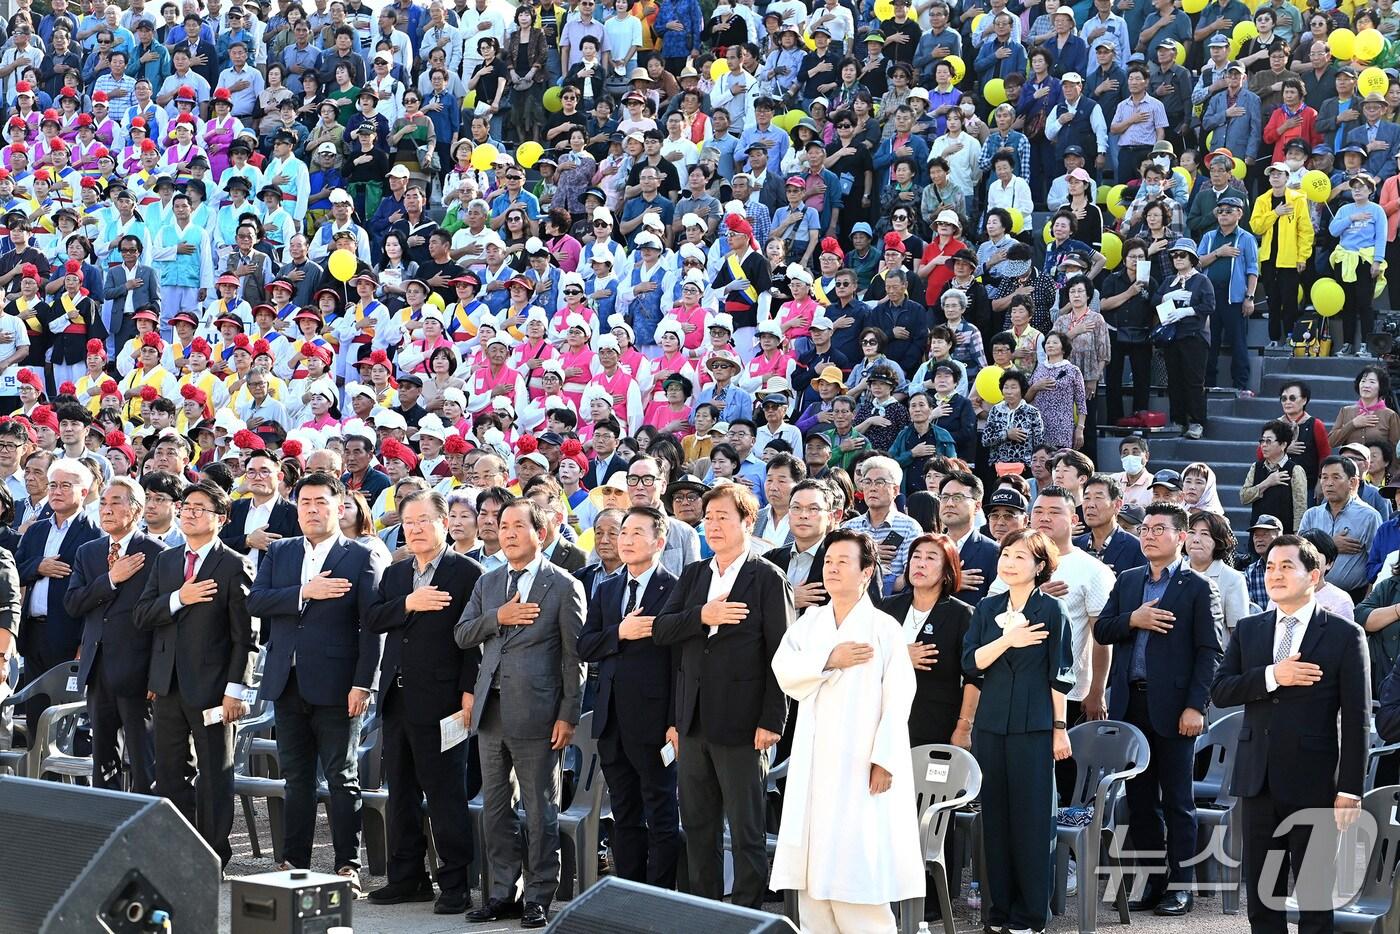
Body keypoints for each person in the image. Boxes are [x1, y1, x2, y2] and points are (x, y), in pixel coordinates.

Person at [1214, 535, 1369, 934]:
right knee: (1264, 900)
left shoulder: (1343, 634)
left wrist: (1350, 789)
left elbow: (1356, 718)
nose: (1275, 575)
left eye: (1287, 566)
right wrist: (1272, 676)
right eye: (1269, 567)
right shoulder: (1250, 630)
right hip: (1257, 779)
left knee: (1315, 901)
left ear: (1313, 576)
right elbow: (1221, 689)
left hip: (1315, 783)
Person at [770, 528, 923, 932]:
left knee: (859, 868)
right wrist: (828, 658)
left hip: (862, 761)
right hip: (815, 758)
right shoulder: (810, 622)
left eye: (843, 562)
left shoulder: (883, 628)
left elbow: (899, 697)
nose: (833, 569)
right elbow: (782, 669)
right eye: (829, 561)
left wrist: (884, 759)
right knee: (814, 871)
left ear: (867, 572)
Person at [652, 483, 792, 909]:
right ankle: (704, 909)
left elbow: (781, 655)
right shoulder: (695, 574)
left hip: (745, 724)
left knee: (747, 829)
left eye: (722, 517)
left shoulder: (767, 577)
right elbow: (662, 630)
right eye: (708, 518)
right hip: (692, 722)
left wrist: (772, 720)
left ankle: (747, 913)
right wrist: (703, 615)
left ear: (747, 522)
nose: (712, 525)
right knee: (697, 826)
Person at [248, 471, 388, 893]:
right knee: (297, 778)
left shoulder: (360, 555)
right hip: (286, 682)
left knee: (342, 776)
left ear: (339, 506)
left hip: (339, 685)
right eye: (304, 502)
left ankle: (347, 864)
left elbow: (372, 627)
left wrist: (363, 684)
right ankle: (297, 863)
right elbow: (256, 600)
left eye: (321, 502)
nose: (312, 509)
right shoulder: (282, 552)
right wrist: (303, 592)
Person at [454, 499, 586, 929]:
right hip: (491, 713)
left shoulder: (564, 586)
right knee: (495, 809)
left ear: (541, 533)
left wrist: (568, 714)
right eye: (501, 525)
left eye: (517, 526)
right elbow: (462, 633)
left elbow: (574, 659)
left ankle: (539, 896)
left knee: (540, 810)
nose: (507, 532)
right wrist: (500, 617)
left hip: (540, 715)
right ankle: (501, 893)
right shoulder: (488, 582)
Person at [1094, 501, 1224, 915]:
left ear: (1181, 537)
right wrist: (1134, 619)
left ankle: (1181, 885)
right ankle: (1152, 881)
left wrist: (1196, 706)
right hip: (1130, 704)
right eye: (1145, 529)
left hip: (1175, 708)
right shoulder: (1129, 581)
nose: (1148, 535)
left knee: (1179, 801)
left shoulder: (1198, 586)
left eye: (1158, 529)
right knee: (1139, 798)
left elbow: (1210, 652)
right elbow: (1102, 629)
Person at [364, 490, 482, 914]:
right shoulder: (397, 575)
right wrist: (408, 604)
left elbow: (476, 641)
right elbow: (373, 617)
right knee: (401, 792)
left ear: (444, 522)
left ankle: (455, 882)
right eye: (407, 522)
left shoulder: (467, 572)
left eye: (422, 521)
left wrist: (469, 692)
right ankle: (407, 877)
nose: (414, 529)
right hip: (397, 697)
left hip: (443, 701)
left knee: (446, 792)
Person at [133, 480, 257, 868]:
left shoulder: (235, 563)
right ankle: (178, 850)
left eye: (199, 507)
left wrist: (236, 690)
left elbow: (246, 637)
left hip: (216, 690)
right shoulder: (167, 561)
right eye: (186, 505)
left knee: (215, 774)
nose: (189, 512)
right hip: (167, 686)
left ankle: (214, 854)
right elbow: (142, 615)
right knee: (170, 774)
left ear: (220, 519)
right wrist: (178, 598)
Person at [962, 528, 1074, 934]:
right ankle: (998, 911)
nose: (1009, 562)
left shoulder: (1053, 610)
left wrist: (1060, 729)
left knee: (1032, 820)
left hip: (1035, 726)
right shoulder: (986, 608)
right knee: (994, 818)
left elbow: (1060, 676)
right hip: (991, 725)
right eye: (1006, 554)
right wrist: (1008, 640)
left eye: (1020, 557)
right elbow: (971, 663)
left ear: (1040, 566)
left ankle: (1030, 915)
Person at [575, 505, 681, 888]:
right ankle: (630, 890)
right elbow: (585, 645)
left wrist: (675, 721)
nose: (627, 540)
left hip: (655, 722)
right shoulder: (607, 589)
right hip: (611, 719)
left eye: (638, 533)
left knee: (661, 812)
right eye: (624, 532)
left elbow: (679, 664)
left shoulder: (676, 588)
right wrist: (621, 632)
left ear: (659, 541)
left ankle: (660, 895)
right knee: (623, 812)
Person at [64, 476, 164, 793]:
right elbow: (73, 603)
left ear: (136, 510)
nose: (106, 510)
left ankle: (144, 835)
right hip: (98, 671)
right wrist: (110, 579)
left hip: (138, 674)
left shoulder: (157, 553)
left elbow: (163, 622)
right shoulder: (88, 552)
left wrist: (156, 676)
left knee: (143, 761)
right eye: (103, 503)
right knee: (102, 760)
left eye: (115, 502)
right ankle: (106, 829)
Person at [14, 457, 101, 736]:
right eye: (53, 485)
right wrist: (38, 567)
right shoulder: (37, 529)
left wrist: (84, 642)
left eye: (65, 485)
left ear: (84, 492)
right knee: (34, 713)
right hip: (33, 633)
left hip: (68, 636)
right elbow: (14, 570)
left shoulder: (94, 535)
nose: (56, 491)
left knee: (64, 718)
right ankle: (34, 774)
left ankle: (56, 777)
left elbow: (94, 594)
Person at [882, 532, 977, 749]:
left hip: (935, 725)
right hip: (885, 721)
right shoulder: (888, 607)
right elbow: (868, 657)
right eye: (916, 556)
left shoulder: (962, 614)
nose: (920, 564)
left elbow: (973, 677)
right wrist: (901, 656)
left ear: (947, 570)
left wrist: (964, 728)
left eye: (931, 558)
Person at [1298, 455, 1383, 601]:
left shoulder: (1369, 517)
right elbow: (1298, 554)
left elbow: (1376, 562)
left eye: (1336, 477)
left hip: (1355, 596)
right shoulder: (1311, 515)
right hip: (1312, 595)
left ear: (1352, 482)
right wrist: (1331, 545)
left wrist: (1369, 600)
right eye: (1324, 477)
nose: (1329, 483)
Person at [220, 450, 300, 569]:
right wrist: (247, 541)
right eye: (251, 472)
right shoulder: (234, 508)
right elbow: (216, 545)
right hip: (234, 582)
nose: (257, 477)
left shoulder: (294, 513)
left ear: (279, 477)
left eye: (264, 472)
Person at [938, 470, 1000, 604]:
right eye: (944, 497)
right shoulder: (927, 546)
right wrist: (948, 582)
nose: (949, 503)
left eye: (957, 498)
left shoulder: (993, 552)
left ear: (977, 506)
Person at [1187, 512, 1252, 631]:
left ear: (1217, 541)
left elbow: (1237, 633)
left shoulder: (1233, 579)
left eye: (1205, 534)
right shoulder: (1173, 573)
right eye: (1191, 532)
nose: (1196, 539)